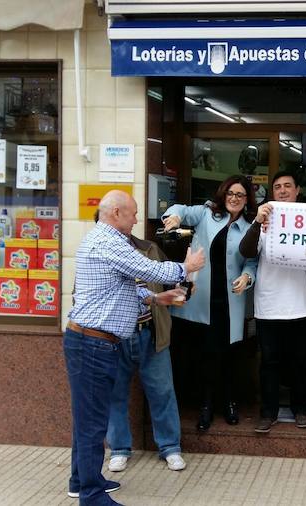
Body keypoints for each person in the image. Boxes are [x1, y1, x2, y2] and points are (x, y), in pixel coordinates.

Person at [66, 190, 204, 505]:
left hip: (91, 340)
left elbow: (124, 287)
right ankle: (90, 495)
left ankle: (81, 480)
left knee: (89, 418)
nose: (137, 219)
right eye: (133, 213)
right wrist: (186, 265)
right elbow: (151, 271)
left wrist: (157, 298)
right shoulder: (109, 242)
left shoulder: (102, 240)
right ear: (116, 212)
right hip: (92, 343)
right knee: (92, 423)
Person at [161, 176, 258, 432]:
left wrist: (247, 277)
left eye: (240, 195)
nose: (234, 199)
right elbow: (180, 210)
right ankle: (205, 406)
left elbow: (251, 261)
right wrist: (173, 217)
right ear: (223, 195)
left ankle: (229, 403)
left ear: (247, 199)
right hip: (201, 299)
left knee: (229, 357)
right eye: (230, 194)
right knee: (205, 355)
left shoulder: (250, 227)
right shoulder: (206, 214)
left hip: (231, 302)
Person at [105, 222, 188, 474]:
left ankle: (170, 447)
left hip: (151, 333)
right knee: (115, 394)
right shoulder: (99, 252)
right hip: (115, 337)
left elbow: (171, 279)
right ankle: (119, 449)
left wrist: (182, 290)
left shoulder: (149, 249)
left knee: (162, 392)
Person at [238, 171, 306, 433]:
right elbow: (246, 251)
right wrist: (257, 223)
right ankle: (267, 412)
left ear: (297, 190)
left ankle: (301, 409)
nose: (282, 191)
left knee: (300, 362)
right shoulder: (264, 221)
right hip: (269, 306)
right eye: (278, 187)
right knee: (269, 362)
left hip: (301, 304)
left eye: (288, 186)